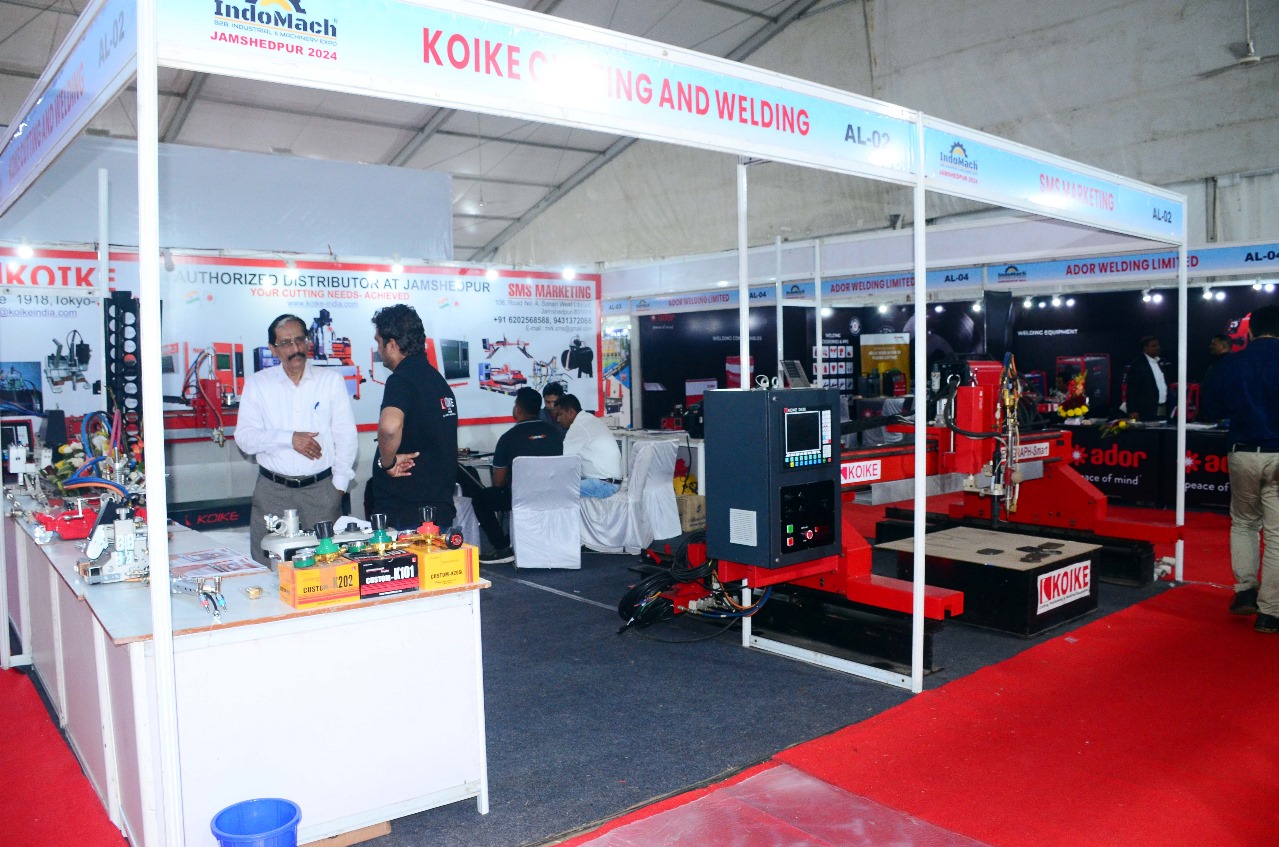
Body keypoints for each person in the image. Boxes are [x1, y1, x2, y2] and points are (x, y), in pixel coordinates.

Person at [235, 314, 357, 566]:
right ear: (273, 349)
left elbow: (345, 435)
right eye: (286, 343)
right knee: (267, 568)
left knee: (328, 566)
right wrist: (289, 439)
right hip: (273, 493)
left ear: (308, 341)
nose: (295, 349)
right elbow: (245, 439)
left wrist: (338, 487)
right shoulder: (258, 384)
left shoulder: (330, 381)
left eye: (300, 340)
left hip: (321, 492)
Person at [1201, 305, 1279, 634]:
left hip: (1243, 451)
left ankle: (1245, 591)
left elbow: (1210, 408)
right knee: (1277, 535)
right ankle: (1270, 612)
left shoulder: (1231, 363)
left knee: (1244, 523)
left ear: (1250, 332)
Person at [370, 304, 459, 530]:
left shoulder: (401, 380)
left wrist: (387, 462)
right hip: (437, 508)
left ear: (392, 345)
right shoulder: (436, 380)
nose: (378, 350)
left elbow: (390, 427)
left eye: (379, 342)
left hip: (407, 511)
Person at [460, 387, 564, 565]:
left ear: (519, 409)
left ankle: (502, 547)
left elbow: (499, 482)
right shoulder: (554, 433)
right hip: (553, 495)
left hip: (520, 497)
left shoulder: (508, 438)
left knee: (481, 499)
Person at [555, 393, 623, 498]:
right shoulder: (589, 419)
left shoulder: (578, 426)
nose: (558, 420)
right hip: (608, 481)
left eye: (560, 414)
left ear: (571, 412)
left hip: (603, 484)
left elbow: (565, 462)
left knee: (554, 490)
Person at [1122, 335, 1167, 421]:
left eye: (1158, 345)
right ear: (1145, 348)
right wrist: (1132, 410)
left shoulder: (1161, 362)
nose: (1158, 348)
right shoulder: (1138, 364)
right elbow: (1131, 389)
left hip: (1162, 405)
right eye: (1154, 346)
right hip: (1146, 408)